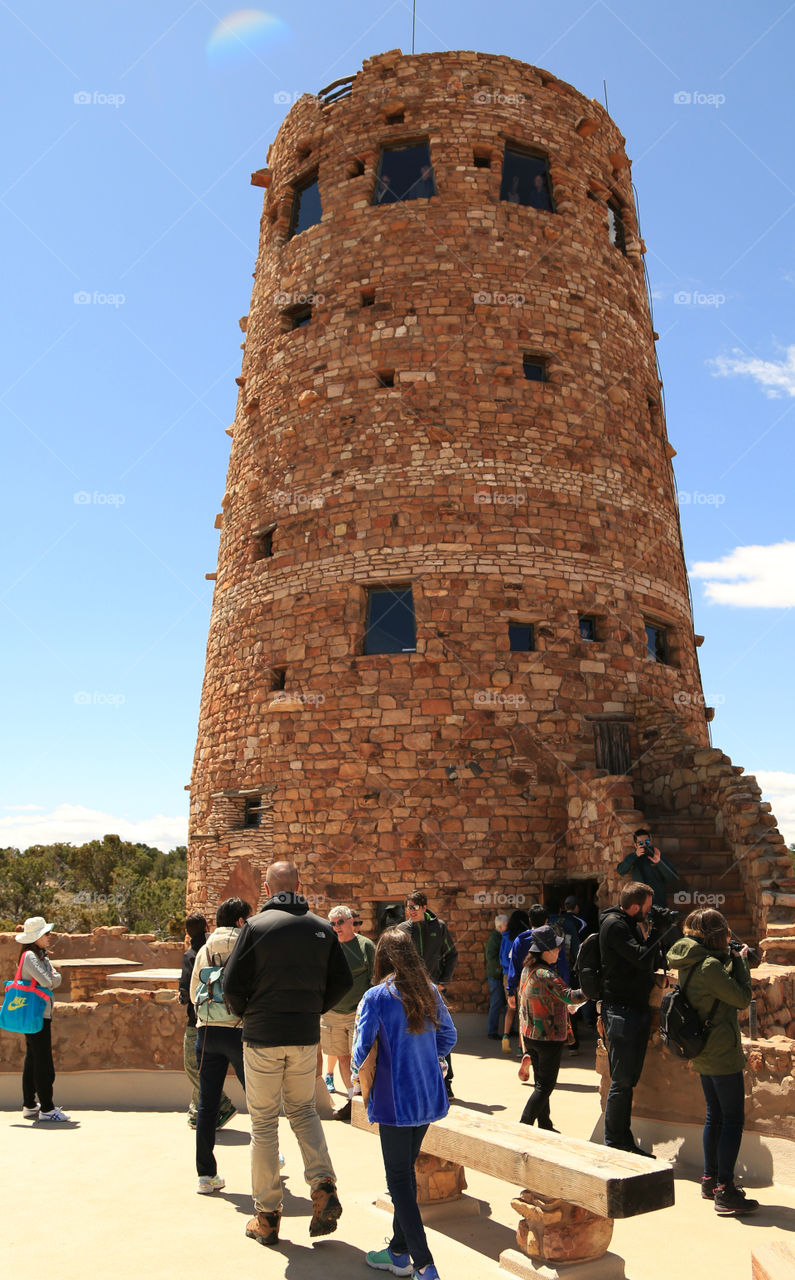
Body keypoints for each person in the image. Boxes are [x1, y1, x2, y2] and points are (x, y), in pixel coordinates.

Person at [224, 860, 353, 1246]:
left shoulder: (256, 928)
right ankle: (323, 1185)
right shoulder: (320, 928)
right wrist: (313, 1007)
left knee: (264, 1123)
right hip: (303, 1036)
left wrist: (247, 1011)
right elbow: (343, 981)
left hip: (263, 1035)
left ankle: (267, 1217)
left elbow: (232, 985)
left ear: (267, 890)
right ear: (299, 886)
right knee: (303, 1110)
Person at [353, 926, 456, 1280]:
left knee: (397, 1179)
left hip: (395, 1101)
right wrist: (429, 1059)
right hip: (428, 1096)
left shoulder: (376, 997)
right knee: (405, 1174)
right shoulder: (428, 990)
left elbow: (361, 1052)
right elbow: (449, 1036)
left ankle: (424, 1264)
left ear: (383, 957)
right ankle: (398, 1253)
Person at [667, 909, 759, 1216]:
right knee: (732, 1119)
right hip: (721, 1052)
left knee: (714, 1116)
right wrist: (742, 961)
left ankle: (710, 1180)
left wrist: (731, 958)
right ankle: (726, 1190)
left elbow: (714, 986)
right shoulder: (708, 965)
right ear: (717, 935)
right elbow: (742, 997)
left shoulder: (691, 961)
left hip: (703, 1051)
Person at [190, 896, 251, 1193]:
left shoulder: (205, 948)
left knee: (207, 1104)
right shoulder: (248, 944)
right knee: (258, 1100)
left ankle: (206, 1175)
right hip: (240, 1030)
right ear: (240, 920)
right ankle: (269, 1157)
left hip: (207, 1032)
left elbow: (193, 993)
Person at [599, 882, 661, 1155]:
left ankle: (623, 1139)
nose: (649, 912)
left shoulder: (627, 923)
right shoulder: (616, 926)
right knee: (621, 1080)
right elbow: (642, 957)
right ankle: (615, 1142)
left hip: (633, 1008)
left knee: (628, 1080)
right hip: (621, 1010)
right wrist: (657, 930)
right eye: (647, 907)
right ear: (635, 906)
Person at [517, 925, 585, 1130]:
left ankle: (545, 1123)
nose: (558, 951)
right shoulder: (546, 974)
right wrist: (592, 990)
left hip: (531, 1034)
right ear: (545, 950)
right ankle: (523, 1126)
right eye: (555, 948)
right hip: (548, 1037)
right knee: (545, 1087)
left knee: (540, 1082)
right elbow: (570, 996)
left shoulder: (527, 969)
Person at [179, 911, 235, 1131]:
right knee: (203, 1069)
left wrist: (183, 995)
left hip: (198, 1021)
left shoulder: (192, 954)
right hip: (227, 1017)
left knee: (193, 1067)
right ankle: (196, 1114)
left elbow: (187, 990)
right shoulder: (216, 949)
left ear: (187, 932)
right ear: (206, 928)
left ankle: (223, 1105)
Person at [400, 890, 458, 1096]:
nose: (411, 911)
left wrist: (443, 981)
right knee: (414, 1032)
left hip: (433, 991)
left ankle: (446, 1083)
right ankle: (417, 1081)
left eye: (414, 907)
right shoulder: (402, 930)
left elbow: (451, 954)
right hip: (410, 991)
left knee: (439, 1032)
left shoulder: (439, 927)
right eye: (408, 907)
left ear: (424, 907)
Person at [323, 904, 375, 1122]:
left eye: (340, 923)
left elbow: (376, 978)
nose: (336, 928)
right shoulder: (327, 947)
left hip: (358, 1014)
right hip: (332, 1013)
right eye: (332, 924)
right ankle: (352, 1102)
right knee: (343, 1057)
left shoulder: (366, 947)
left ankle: (367, 1102)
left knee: (360, 1059)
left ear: (351, 922)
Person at [15, 916, 69, 1122]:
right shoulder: (30, 957)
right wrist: (53, 978)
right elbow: (49, 980)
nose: (49, 937)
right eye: (46, 934)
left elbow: (52, 978)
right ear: (36, 937)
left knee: (33, 1058)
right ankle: (47, 1107)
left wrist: (53, 977)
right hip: (38, 1013)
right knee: (43, 1061)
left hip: (37, 1013)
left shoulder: (41, 956)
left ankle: (29, 1104)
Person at [617, 828, 677, 908]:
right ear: (635, 845)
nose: (644, 845)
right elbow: (621, 871)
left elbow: (672, 877)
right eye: (641, 843)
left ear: (651, 842)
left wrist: (659, 862)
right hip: (639, 902)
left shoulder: (658, 856)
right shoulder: (632, 858)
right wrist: (635, 856)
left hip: (658, 902)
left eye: (647, 842)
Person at [500, 908, 530, 1052]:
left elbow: (502, 957)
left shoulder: (505, 937)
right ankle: (520, 1046)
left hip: (507, 975)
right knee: (522, 1012)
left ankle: (505, 1037)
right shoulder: (524, 939)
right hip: (521, 975)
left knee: (510, 1007)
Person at [485, 913, 508, 1039]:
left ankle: (507, 1030)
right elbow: (491, 957)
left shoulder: (500, 936)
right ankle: (492, 1031)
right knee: (496, 1001)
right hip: (495, 975)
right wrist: (502, 965)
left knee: (505, 1002)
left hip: (499, 974)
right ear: (501, 926)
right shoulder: (495, 938)